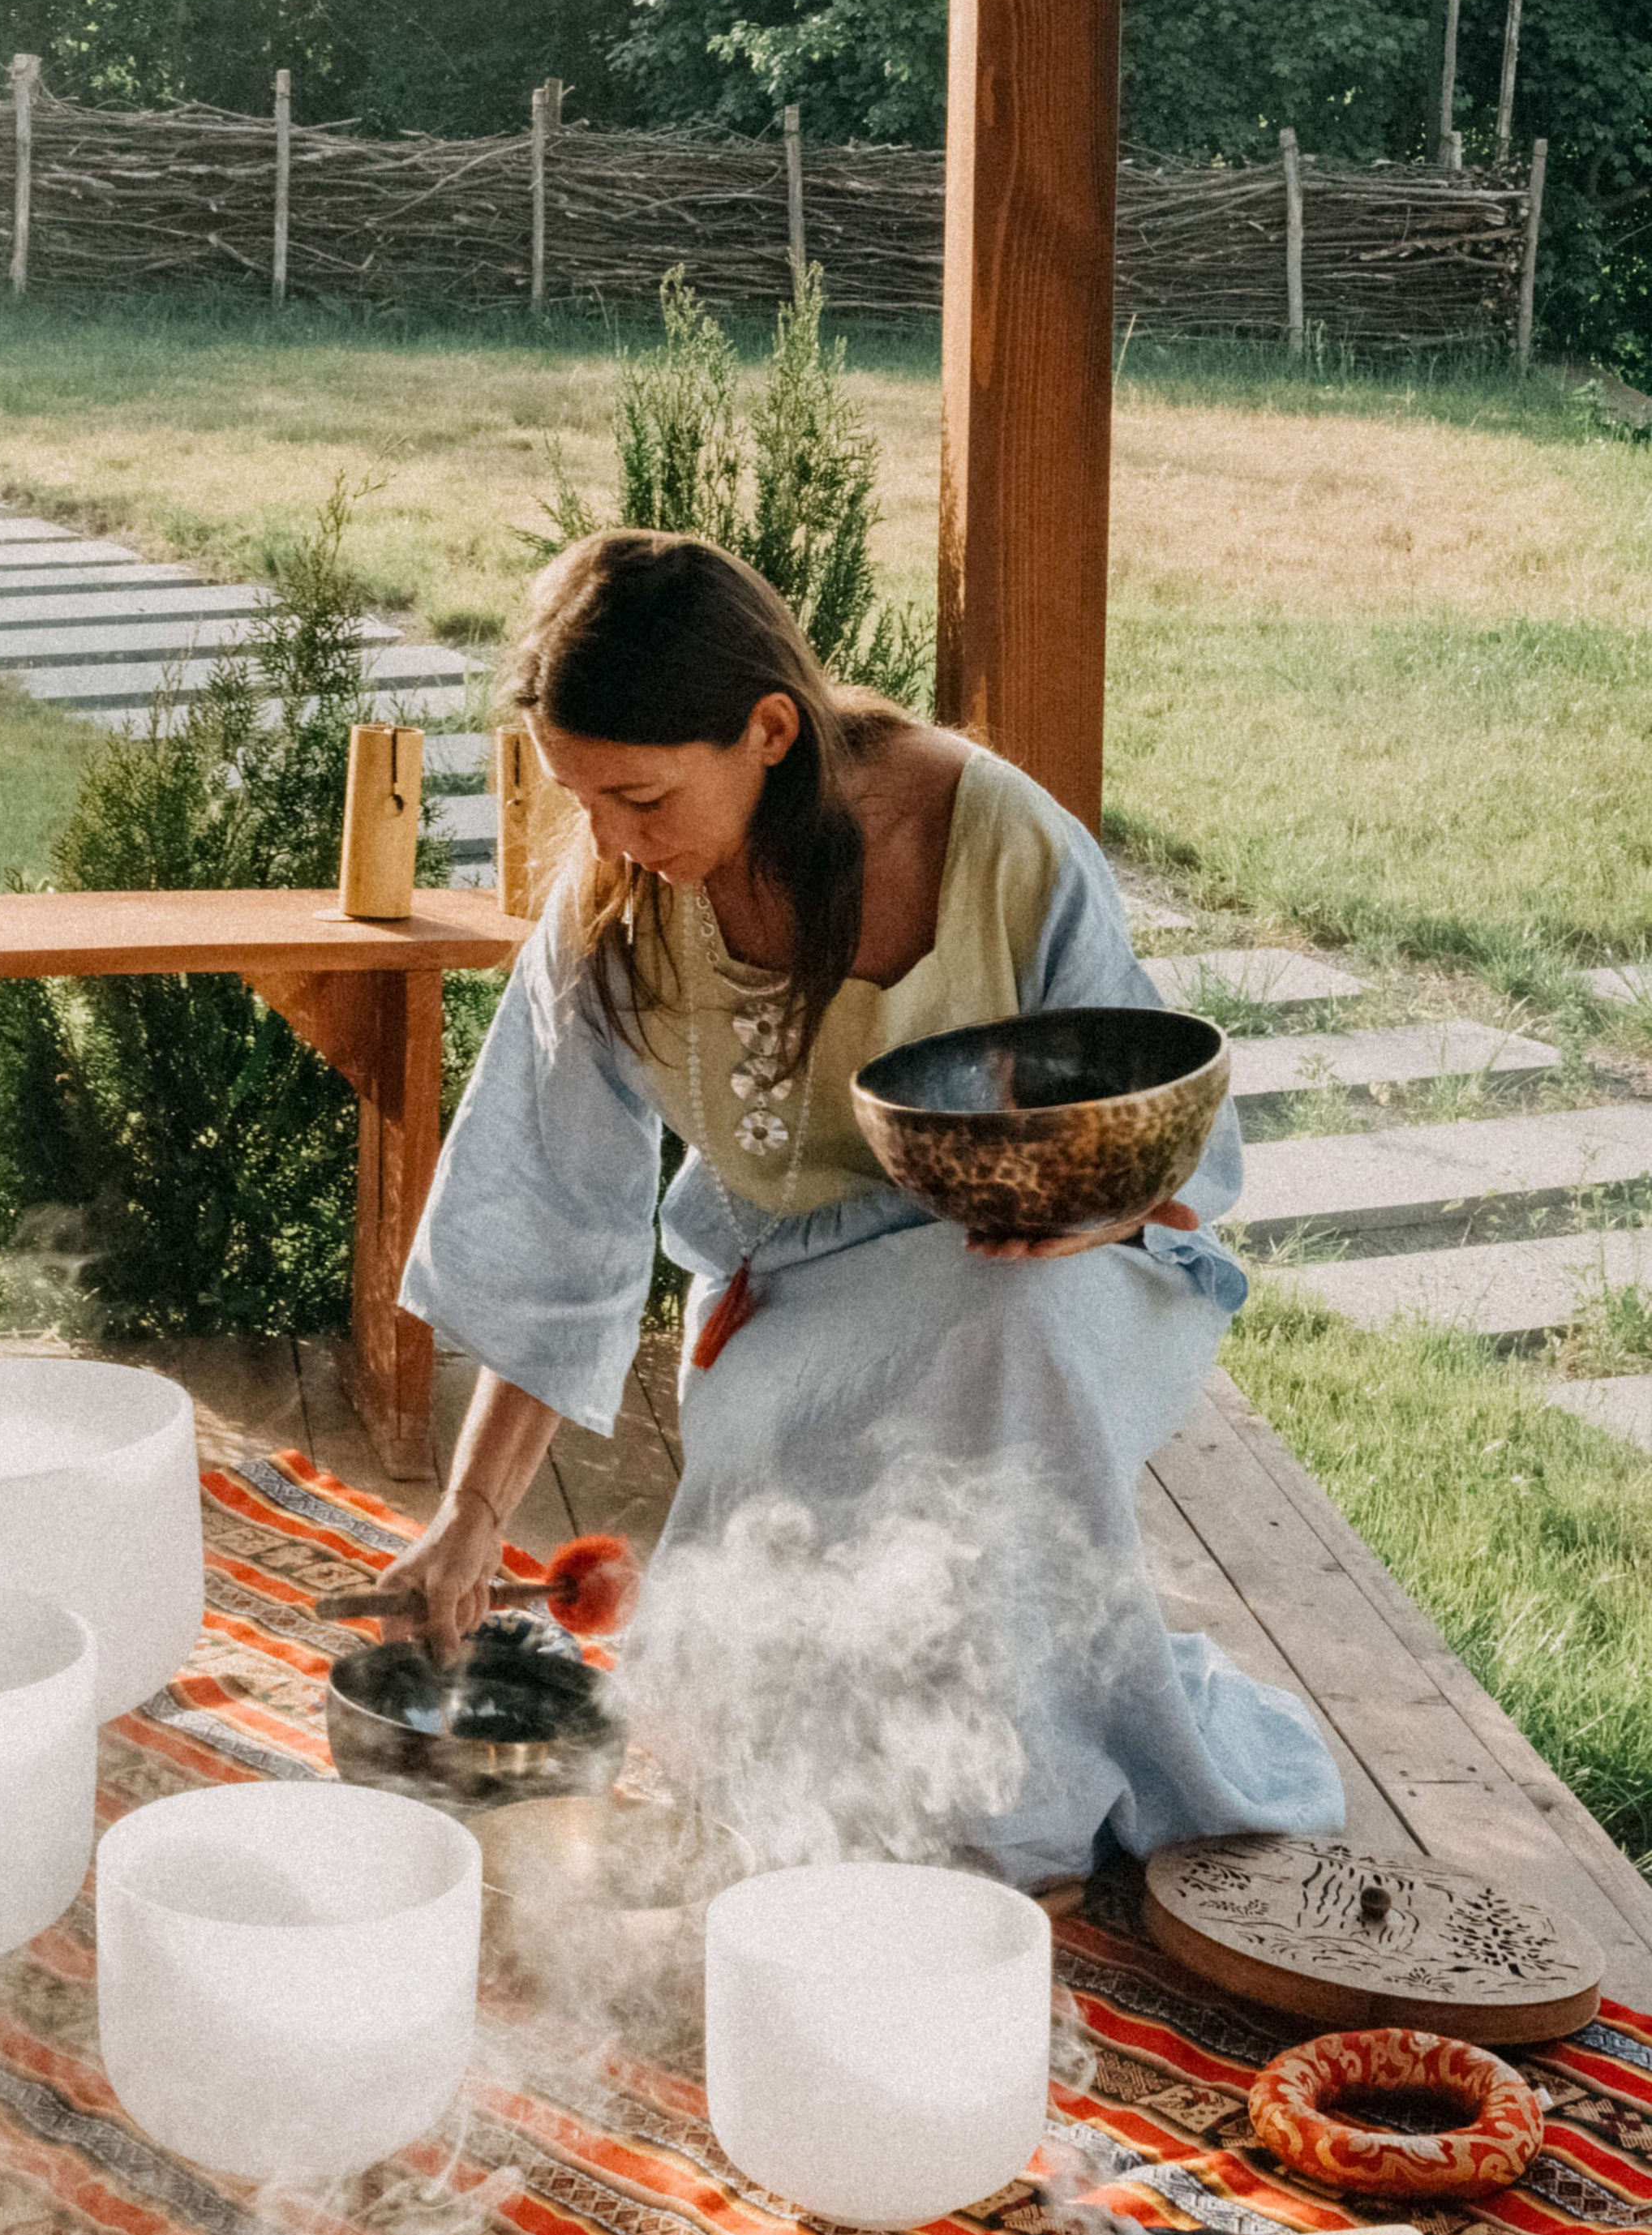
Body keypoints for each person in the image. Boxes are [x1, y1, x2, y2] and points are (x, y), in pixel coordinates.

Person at [394, 532, 1342, 1885]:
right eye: (580, 795)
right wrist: (469, 1520)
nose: (606, 837)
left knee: (1005, 1323)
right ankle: (885, 1790)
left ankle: (1013, 1813)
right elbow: (549, 1227)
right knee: (762, 1722)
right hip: (798, 1301)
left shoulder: (999, 837)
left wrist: (1086, 1216)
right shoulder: (616, 908)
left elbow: (1171, 1145)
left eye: (642, 796)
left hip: (1058, 1272)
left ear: (769, 729)